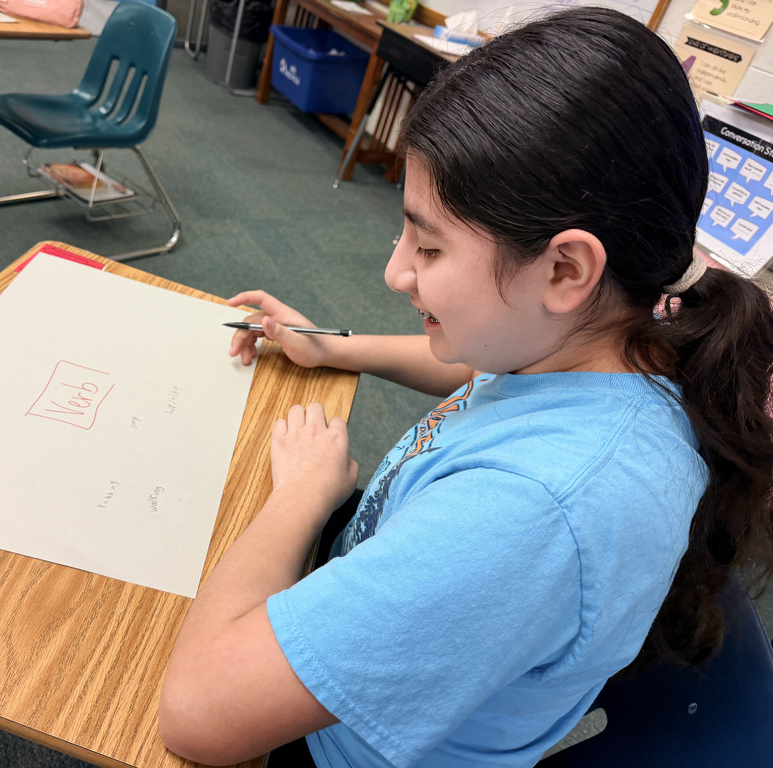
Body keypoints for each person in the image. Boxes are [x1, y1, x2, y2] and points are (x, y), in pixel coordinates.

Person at [158, 7, 773, 768]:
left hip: (323, 744)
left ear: (563, 270)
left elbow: (195, 715)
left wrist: (303, 495)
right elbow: (481, 364)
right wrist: (335, 349)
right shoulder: (627, 338)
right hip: (383, 614)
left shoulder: (531, 513)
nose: (395, 272)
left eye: (429, 244)